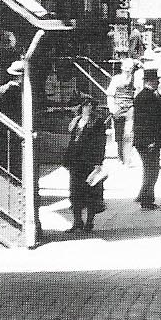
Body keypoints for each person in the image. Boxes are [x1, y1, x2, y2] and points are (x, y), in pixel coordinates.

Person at [62, 97, 108, 232]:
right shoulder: (76, 121)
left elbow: (101, 143)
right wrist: (67, 159)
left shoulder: (98, 122)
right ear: (81, 107)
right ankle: (77, 222)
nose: (89, 108)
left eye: (91, 106)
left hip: (89, 162)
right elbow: (72, 141)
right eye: (86, 105)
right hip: (75, 161)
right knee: (75, 192)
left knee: (90, 192)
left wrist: (98, 162)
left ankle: (89, 222)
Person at [132, 67, 161, 210]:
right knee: (152, 170)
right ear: (150, 81)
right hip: (147, 141)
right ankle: (146, 200)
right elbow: (147, 122)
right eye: (156, 80)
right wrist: (151, 141)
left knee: (150, 169)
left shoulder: (151, 95)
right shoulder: (146, 97)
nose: (158, 83)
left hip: (149, 140)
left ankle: (144, 195)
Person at [106, 59, 138, 165]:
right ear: (122, 67)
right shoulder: (116, 79)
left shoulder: (135, 79)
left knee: (129, 134)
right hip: (118, 108)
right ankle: (120, 157)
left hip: (130, 108)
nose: (127, 70)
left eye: (130, 68)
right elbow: (110, 94)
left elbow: (137, 92)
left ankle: (127, 158)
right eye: (126, 68)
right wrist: (112, 108)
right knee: (119, 135)